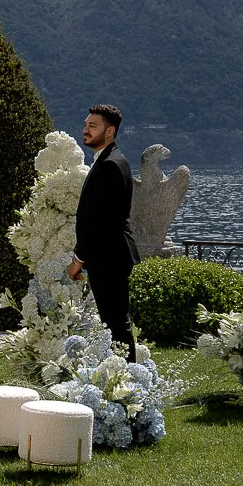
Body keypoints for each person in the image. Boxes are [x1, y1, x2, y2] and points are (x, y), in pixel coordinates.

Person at [68, 103, 141, 361]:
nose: (85, 130)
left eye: (92, 126)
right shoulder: (110, 160)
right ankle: (123, 379)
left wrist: (78, 260)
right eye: (86, 125)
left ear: (109, 132)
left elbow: (101, 221)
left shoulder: (110, 164)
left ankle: (129, 383)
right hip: (110, 255)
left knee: (117, 325)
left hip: (110, 256)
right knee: (115, 324)